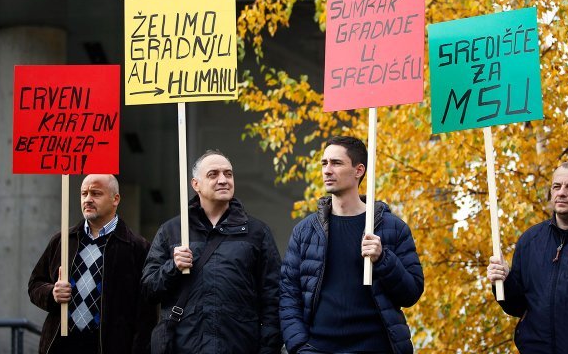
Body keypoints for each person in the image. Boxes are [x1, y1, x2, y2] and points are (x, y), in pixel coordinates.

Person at [280, 136, 424, 354]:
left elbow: (411, 293)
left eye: (336, 163)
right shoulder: (305, 231)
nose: (327, 170)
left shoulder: (392, 228)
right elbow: (288, 296)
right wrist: (300, 347)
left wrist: (383, 258)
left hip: (377, 348)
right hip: (320, 348)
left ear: (359, 171)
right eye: (324, 163)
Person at [142, 149, 283, 353]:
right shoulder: (171, 231)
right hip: (185, 347)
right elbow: (148, 289)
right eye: (213, 174)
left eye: (228, 173)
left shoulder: (257, 232)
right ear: (195, 184)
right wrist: (172, 267)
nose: (223, 180)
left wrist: (268, 348)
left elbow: (274, 297)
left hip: (240, 347)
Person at [28, 174, 156, 354]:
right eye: (84, 193)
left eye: (96, 193)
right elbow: (34, 285)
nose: (88, 199)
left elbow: (146, 314)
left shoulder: (137, 247)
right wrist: (52, 293)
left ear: (115, 199)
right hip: (62, 346)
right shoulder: (62, 241)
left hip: (109, 346)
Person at [487, 161, 568, 353]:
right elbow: (517, 307)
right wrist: (503, 281)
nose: (561, 192)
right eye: (556, 186)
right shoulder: (530, 241)